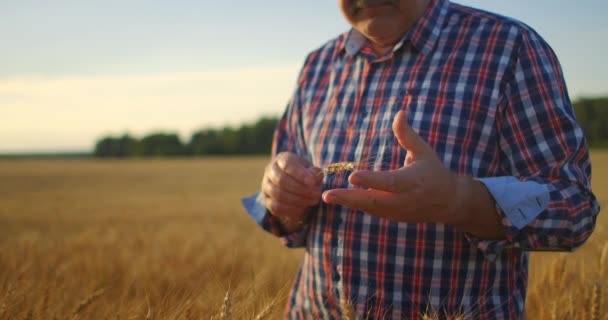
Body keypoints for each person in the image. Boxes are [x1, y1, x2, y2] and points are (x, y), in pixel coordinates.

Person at [242, 0, 600, 318]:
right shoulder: (317, 66)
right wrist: (284, 198)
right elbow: (286, 218)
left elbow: (574, 209)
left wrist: (459, 201)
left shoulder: (508, 48)